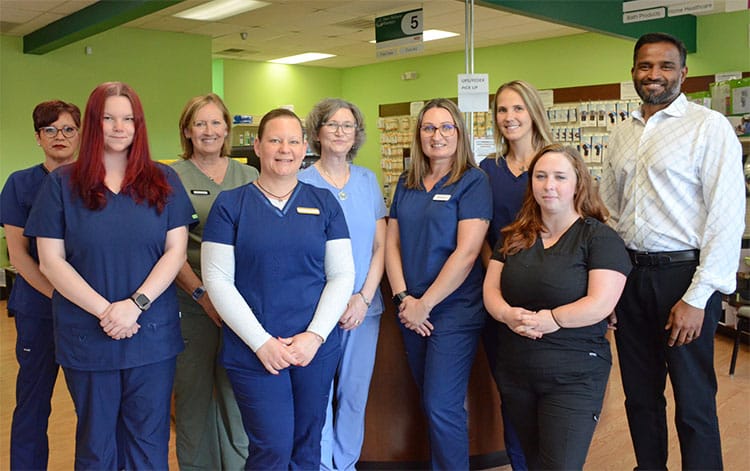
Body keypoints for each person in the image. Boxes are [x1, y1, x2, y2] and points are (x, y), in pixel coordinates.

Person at [24, 82, 196, 469]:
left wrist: (135, 306)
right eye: (108, 118)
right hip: (88, 336)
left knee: (148, 442)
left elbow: (175, 252)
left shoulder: (162, 180)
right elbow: (51, 261)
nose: (119, 127)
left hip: (150, 335)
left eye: (128, 118)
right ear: (92, 124)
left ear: (139, 125)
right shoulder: (62, 184)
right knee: (96, 444)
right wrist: (108, 311)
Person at [601, 32, 745, 470]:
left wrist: (696, 298)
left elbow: (726, 219)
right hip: (631, 278)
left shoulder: (709, 127)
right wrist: (608, 286)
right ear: (633, 73)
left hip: (684, 279)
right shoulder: (621, 133)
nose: (654, 75)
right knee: (640, 398)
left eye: (665, 66)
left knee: (694, 401)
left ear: (683, 73)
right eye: (645, 66)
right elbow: (608, 213)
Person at [201, 108, 355, 470]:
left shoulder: (324, 203)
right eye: (274, 140)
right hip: (254, 352)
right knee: (271, 447)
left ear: (305, 148)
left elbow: (342, 275)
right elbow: (218, 281)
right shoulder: (231, 205)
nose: (283, 149)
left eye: (292, 141)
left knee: (306, 446)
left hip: (313, 350)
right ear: (257, 146)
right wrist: (261, 343)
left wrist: (314, 337)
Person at [483, 143, 631, 469]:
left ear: (578, 183)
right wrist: (506, 314)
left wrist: (553, 319)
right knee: (534, 462)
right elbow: (491, 291)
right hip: (516, 372)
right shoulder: (513, 236)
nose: (549, 185)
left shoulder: (599, 238)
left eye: (560, 177)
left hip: (573, 376)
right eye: (541, 176)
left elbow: (601, 303)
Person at [385, 98, 491, 470]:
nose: (437, 135)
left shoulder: (473, 181)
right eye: (429, 128)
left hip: (453, 310)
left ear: (459, 133)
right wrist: (403, 298)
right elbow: (391, 243)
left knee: (440, 404)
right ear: (419, 135)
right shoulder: (406, 182)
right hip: (410, 310)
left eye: (446, 127)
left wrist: (425, 304)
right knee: (429, 402)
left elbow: (467, 252)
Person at [299, 98, 386, 470]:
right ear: (317, 132)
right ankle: (319, 464)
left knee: (353, 393)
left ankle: (346, 463)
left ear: (356, 134)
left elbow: (381, 245)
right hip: (315, 310)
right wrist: (333, 302)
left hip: (364, 309)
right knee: (317, 393)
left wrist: (363, 298)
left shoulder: (367, 180)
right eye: (332, 124)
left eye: (347, 126)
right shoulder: (301, 181)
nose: (339, 131)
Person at [171, 93, 257, 470]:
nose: (209, 131)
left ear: (227, 128)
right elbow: (168, 249)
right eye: (200, 123)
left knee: (238, 396)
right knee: (192, 399)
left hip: (242, 305)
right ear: (188, 131)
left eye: (216, 122)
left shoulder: (249, 175)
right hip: (192, 303)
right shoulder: (171, 177)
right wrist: (203, 295)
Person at [0, 100, 80, 470]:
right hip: (39, 311)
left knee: (93, 405)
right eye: (50, 130)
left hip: (88, 315)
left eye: (67, 129)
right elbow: (19, 255)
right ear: (37, 137)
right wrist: (61, 298)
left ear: (80, 135)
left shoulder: (92, 183)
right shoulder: (20, 184)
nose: (59, 137)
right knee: (32, 403)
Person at [479, 80, 554, 470]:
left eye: (518, 109)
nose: (510, 118)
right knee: (513, 395)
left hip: (550, 295)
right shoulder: (487, 169)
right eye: (503, 110)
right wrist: (498, 279)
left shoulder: (556, 161)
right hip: (501, 298)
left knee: (552, 397)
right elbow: (480, 233)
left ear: (533, 112)